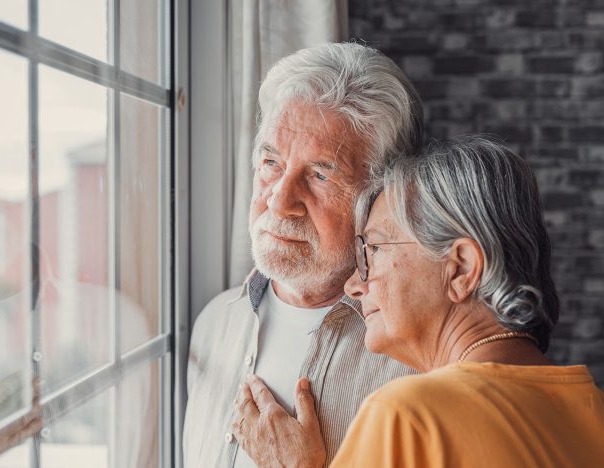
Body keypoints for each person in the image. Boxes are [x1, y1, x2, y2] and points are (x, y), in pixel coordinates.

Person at [232, 136, 604, 467]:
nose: (353, 285)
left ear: (461, 268)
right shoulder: (593, 409)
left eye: (371, 250)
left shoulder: (407, 417)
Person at [183, 42, 424, 468]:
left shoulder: (419, 366)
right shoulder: (213, 324)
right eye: (271, 162)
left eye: (319, 175)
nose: (279, 203)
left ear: (380, 199)